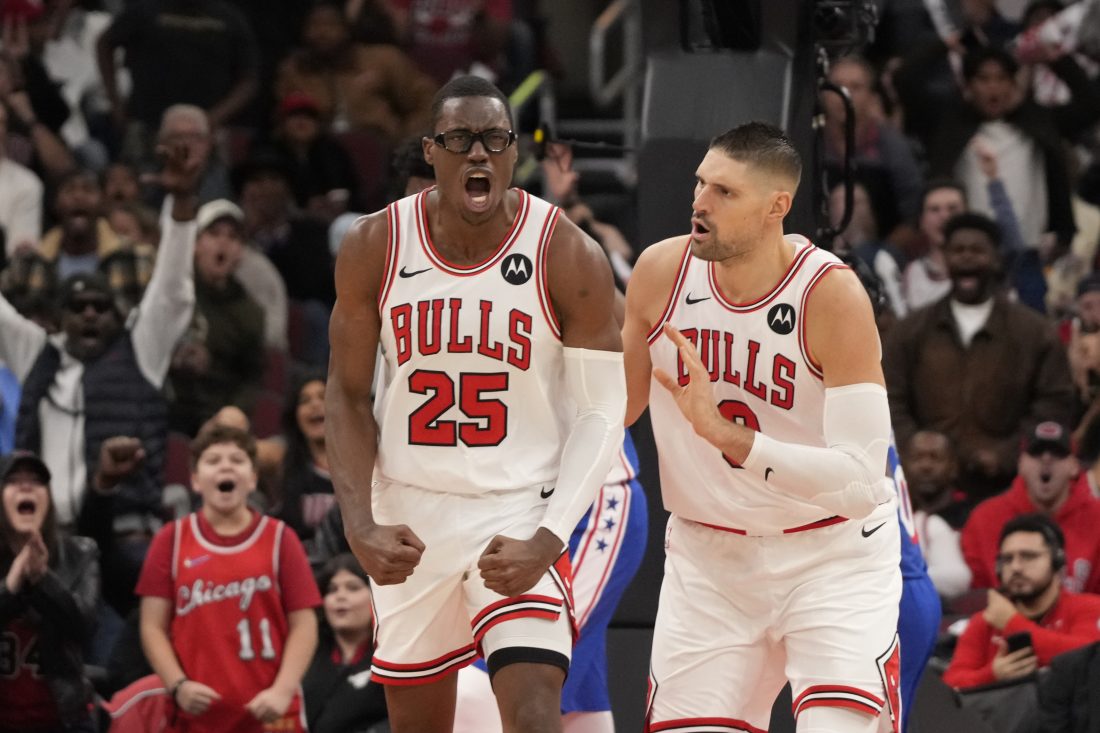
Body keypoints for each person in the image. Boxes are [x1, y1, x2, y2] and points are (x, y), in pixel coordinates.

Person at [326, 75, 625, 733]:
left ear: (515, 152)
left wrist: (549, 535)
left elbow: (606, 409)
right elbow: (345, 395)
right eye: (461, 139)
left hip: (517, 505)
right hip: (410, 511)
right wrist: (359, 524)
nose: (479, 153)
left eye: (495, 138)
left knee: (533, 710)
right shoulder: (376, 245)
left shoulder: (566, 251)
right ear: (432, 151)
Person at [622, 121, 901, 732]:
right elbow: (614, 411)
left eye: (725, 192)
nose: (699, 202)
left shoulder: (830, 295)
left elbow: (860, 484)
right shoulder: (660, 273)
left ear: (778, 207)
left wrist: (730, 438)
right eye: (700, 184)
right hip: (709, 560)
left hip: (830, 557)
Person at [135, 424, 320, 732]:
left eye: (236, 459)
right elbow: (152, 626)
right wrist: (177, 685)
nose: (225, 466)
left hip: (271, 713)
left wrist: (283, 690)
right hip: (198, 716)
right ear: (194, 480)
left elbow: (305, 622)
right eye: (213, 460)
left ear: (252, 478)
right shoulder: (172, 539)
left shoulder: (280, 538)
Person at [884, 212, 1074, 499]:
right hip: (924, 494)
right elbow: (889, 396)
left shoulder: (1034, 333)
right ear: (945, 257)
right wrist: (919, 449)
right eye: (958, 250)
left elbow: (1054, 403)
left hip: (1005, 489)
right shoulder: (910, 331)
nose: (966, 258)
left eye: (977, 250)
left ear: (996, 258)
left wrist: (1008, 452)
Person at [0, 450, 99, 733]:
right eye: (13, 481)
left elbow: (84, 627)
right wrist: (11, 584)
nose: (26, 486)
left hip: (65, 721)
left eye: (37, 481)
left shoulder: (80, 553)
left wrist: (43, 578)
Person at [944, 514, 1100, 688]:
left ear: (1058, 561)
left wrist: (1011, 623)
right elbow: (950, 684)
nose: (1016, 567)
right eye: (1007, 559)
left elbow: (1090, 660)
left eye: (1028, 556)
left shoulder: (1090, 607)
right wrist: (992, 675)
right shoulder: (985, 621)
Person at [961, 421, 1100, 594]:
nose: (1046, 459)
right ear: (1020, 464)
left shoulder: (1096, 518)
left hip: (1083, 619)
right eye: (1036, 453)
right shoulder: (985, 518)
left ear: (1074, 466)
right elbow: (974, 596)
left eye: (1058, 453)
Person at [168, 198, 265, 435]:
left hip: (218, 420)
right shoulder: (170, 295)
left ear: (240, 252)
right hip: (166, 412)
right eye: (213, 234)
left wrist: (230, 416)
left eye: (233, 237)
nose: (223, 243)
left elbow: (252, 378)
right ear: (195, 244)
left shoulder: (250, 312)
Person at [302, 553, 389, 733]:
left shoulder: (392, 658)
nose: (340, 596)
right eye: (332, 590)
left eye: (353, 588)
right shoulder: (305, 655)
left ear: (376, 597)